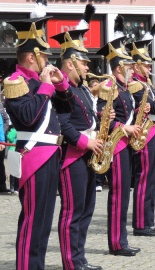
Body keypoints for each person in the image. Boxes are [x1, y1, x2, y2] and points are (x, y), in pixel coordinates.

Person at [5, 12, 74, 269]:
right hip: (33, 156)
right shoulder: (15, 81)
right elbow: (28, 116)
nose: (48, 60)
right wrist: (46, 87)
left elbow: (68, 112)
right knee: (33, 220)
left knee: (44, 222)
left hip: (50, 155)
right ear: (32, 57)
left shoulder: (40, 83)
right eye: (44, 55)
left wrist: (62, 85)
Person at [49, 5, 104, 269]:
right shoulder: (63, 90)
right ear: (69, 63)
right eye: (83, 62)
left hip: (89, 156)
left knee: (86, 211)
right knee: (72, 213)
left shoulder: (81, 89)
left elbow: (88, 119)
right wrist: (87, 142)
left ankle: (80, 258)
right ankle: (71, 262)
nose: (87, 66)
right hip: (72, 158)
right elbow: (63, 125)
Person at [95, 15, 142, 256]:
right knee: (118, 196)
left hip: (125, 146)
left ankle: (121, 240)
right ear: (117, 68)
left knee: (125, 195)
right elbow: (104, 119)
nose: (133, 70)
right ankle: (116, 243)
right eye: (129, 67)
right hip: (116, 148)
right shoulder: (108, 86)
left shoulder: (124, 88)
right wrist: (126, 128)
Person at [125, 19, 155, 237]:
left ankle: (148, 221)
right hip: (145, 134)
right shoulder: (135, 85)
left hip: (154, 133)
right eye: (145, 64)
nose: (150, 67)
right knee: (144, 179)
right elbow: (154, 107)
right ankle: (141, 224)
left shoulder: (147, 85)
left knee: (152, 180)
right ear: (136, 66)